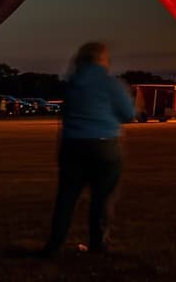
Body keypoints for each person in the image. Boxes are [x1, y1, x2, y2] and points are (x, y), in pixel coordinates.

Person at [43, 42, 134, 256]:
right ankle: (98, 244)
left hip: (73, 144)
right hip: (105, 145)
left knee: (66, 198)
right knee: (102, 199)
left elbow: (65, 114)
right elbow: (128, 114)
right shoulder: (111, 84)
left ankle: (54, 245)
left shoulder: (72, 83)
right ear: (102, 60)